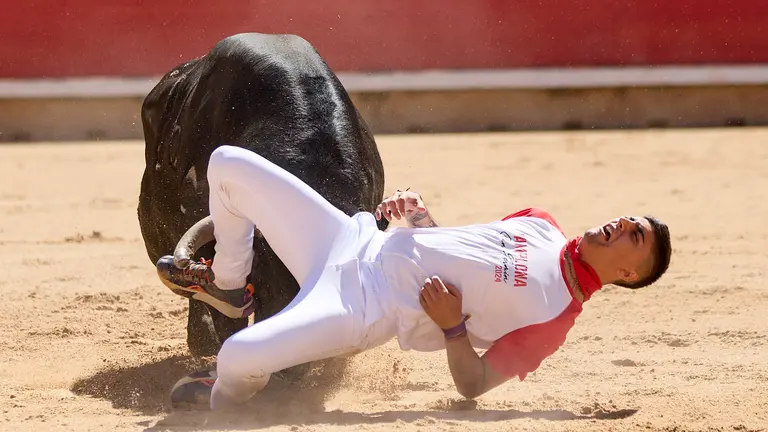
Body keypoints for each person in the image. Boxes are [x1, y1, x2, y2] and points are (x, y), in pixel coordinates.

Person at [156, 145, 673, 410]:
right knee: (227, 165)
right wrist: (419, 215)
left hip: (365, 308)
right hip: (353, 240)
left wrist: (452, 328)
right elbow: (452, 252)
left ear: (627, 273)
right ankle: (228, 282)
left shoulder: (554, 320)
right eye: (632, 220)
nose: (624, 223)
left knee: (238, 358)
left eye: (636, 237)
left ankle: (225, 401)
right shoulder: (540, 222)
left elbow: (473, 386)